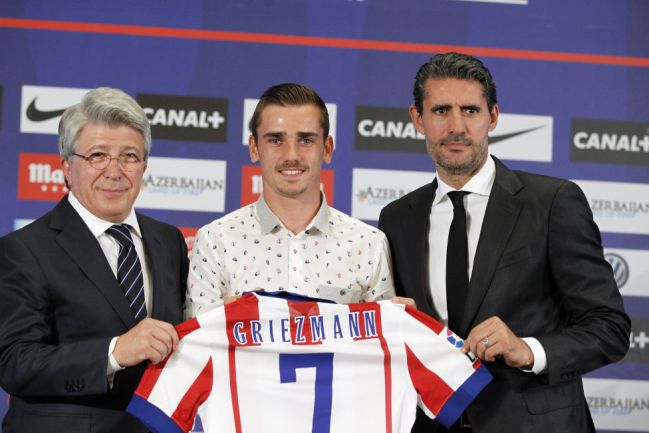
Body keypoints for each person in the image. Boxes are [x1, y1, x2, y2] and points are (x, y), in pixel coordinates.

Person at [378, 53, 630, 433]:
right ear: (418, 119)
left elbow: (609, 328)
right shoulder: (397, 218)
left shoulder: (553, 202)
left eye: (471, 110)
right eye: (441, 110)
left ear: (492, 116)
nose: (457, 126)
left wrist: (527, 350)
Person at [0, 87, 189, 433]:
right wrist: (114, 352)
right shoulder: (23, 250)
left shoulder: (168, 240)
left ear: (144, 166)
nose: (114, 171)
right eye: (98, 155)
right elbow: (15, 363)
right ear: (67, 168)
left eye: (129, 156)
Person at [185, 83, 397, 317]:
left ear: (327, 149)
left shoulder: (369, 244)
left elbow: (384, 347)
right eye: (276, 140)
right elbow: (197, 343)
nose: (291, 155)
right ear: (254, 148)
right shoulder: (215, 241)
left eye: (306, 140)